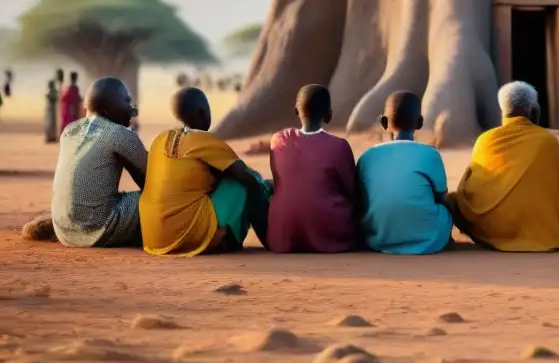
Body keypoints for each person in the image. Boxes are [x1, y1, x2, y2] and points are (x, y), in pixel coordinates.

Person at [140, 87, 270, 256]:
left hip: (154, 237)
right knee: (246, 184)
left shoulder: (158, 140)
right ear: (203, 113)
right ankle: (267, 239)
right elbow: (244, 175)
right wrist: (263, 189)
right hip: (187, 234)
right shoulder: (202, 138)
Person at [450, 81, 559, 252]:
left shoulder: (485, 139)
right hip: (543, 231)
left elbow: (471, 186)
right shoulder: (547, 141)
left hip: (493, 228)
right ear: (534, 109)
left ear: (502, 109)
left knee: (452, 200)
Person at [50, 77, 147, 248]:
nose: (132, 108)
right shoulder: (119, 134)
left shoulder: (69, 130)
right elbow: (151, 179)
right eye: (127, 101)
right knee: (161, 198)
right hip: (97, 228)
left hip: (62, 230)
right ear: (109, 108)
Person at [356, 91, 452, 254]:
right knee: (450, 206)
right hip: (427, 239)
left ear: (383, 122)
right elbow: (441, 197)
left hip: (379, 237)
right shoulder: (430, 154)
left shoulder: (368, 156)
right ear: (420, 122)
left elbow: (362, 198)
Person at [268, 84, 359, 253]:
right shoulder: (338, 146)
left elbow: (278, 180)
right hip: (329, 233)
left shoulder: (278, 140)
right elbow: (351, 190)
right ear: (329, 114)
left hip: (284, 236)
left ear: (296, 111)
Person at [59, 71, 83, 135]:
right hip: (71, 110)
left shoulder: (71, 88)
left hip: (71, 110)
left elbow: (64, 98)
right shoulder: (73, 88)